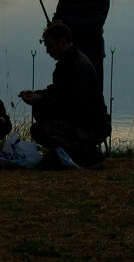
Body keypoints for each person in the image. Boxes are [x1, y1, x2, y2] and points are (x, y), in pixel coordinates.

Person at [19, 21, 110, 168]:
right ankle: (70, 154)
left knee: (39, 130)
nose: (48, 51)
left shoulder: (78, 66)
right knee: (41, 119)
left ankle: (87, 154)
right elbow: (56, 91)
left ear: (63, 42)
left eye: (50, 47)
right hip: (82, 120)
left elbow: (72, 106)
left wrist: (41, 101)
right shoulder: (66, 63)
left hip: (92, 125)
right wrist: (36, 94)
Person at [53, 0, 110, 96]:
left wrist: (65, 23)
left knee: (91, 98)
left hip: (92, 55)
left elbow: (95, 25)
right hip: (66, 55)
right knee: (64, 96)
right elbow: (58, 16)